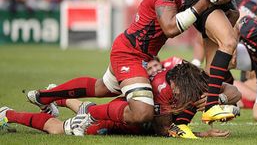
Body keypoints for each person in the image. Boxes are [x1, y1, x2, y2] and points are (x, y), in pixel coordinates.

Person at [24, 0, 211, 134]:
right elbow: (170, 28)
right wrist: (204, 3)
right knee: (142, 112)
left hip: (135, 50)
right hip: (131, 53)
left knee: (102, 88)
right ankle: (90, 114)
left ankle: (43, 96)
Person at [1, 61, 241, 138]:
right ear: (174, 85)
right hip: (115, 121)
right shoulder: (161, 91)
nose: (184, 98)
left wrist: (217, 97)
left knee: (89, 107)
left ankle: (58, 97)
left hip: (121, 110)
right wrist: (202, 135)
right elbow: (165, 130)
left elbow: (235, 92)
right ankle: (7, 113)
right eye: (182, 94)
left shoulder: (192, 81)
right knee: (59, 130)